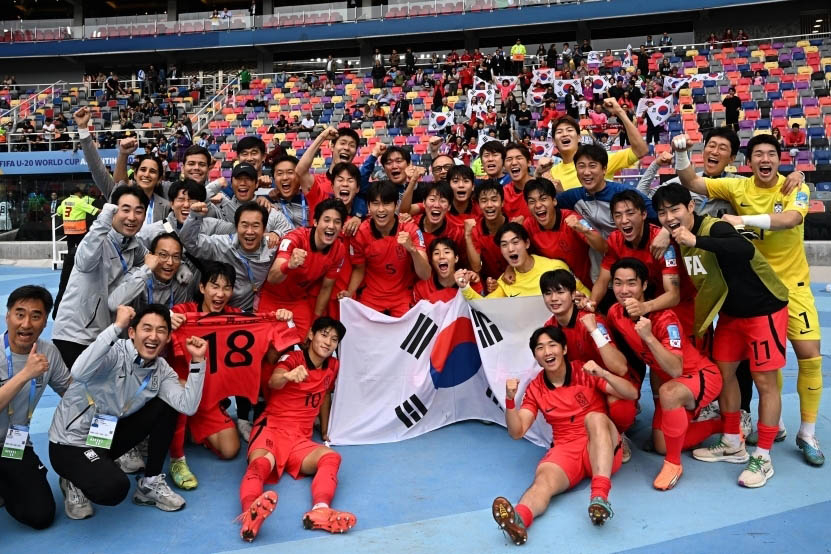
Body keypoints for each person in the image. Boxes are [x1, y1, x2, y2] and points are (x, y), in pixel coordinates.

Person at [674, 133, 823, 466]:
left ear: (780, 159)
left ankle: (808, 433)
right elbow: (691, 181)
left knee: (809, 356)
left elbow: (792, 219)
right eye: (758, 154)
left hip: (792, 286)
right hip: (753, 290)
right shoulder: (736, 186)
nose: (765, 159)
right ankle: (772, 427)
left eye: (771, 153)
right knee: (761, 367)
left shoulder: (795, 186)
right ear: (749, 161)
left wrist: (743, 220)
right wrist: (681, 152)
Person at [651, 183, 790, 488]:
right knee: (724, 374)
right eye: (662, 212)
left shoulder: (715, 228)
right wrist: (669, 231)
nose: (669, 216)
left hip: (763, 309)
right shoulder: (679, 237)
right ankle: (732, 441)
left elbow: (744, 249)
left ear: (691, 207)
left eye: (675, 209)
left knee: (765, 381)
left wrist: (695, 238)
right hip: (730, 315)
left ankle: (763, 456)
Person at [49, 305, 207, 519]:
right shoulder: (115, 351)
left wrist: (198, 362)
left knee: (167, 405)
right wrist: (116, 327)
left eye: (161, 330)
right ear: (132, 332)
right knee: (114, 488)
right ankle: (72, 479)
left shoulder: (161, 369)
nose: (153, 336)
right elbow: (78, 372)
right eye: (147, 328)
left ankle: (150, 483)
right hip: (70, 442)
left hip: (104, 437)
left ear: (168, 337)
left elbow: (187, 405)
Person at [491, 326, 638, 544]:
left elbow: (632, 393)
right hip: (565, 448)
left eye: (552, 345)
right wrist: (510, 401)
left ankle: (599, 497)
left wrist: (604, 373)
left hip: (601, 444)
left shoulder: (584, 371)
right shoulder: (535, 389)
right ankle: (519, 519)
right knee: (542, 481)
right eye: (540, 348)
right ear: (535, 356)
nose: (547, 352)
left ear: (564, 348)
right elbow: (517, 431)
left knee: (595, 417)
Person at [605, 258, 723, 490]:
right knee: (661, 444)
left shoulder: (665, 318)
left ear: (644, 286)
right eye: (618, 283)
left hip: (701, 375)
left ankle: (674, 465)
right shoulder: (615, 313)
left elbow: (675, 369)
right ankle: (720, 424)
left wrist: (649, 337)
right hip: (673, 382)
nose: (624, 290)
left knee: (668, 392)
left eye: (631, 283)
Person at [237, 317, 355, 542]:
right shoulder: (293, 358)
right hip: (272, 428)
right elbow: (274, 380)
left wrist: (326, 429)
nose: (328, 342)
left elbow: (324, 396)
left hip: (300, 440)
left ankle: (320, 510)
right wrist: (288, 376)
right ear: (311, 335)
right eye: (324, 334)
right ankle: (249, 514)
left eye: (334, 339)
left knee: (331, 457)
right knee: (260, 464)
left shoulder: (333, 366)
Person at [540, 270, 637, 460]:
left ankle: (618, 433)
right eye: (548, 293)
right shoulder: (549, 329)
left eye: (560, 292)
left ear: (572, 293)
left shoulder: (593, 322)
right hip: (584, 384)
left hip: (610, 380)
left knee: (619, 407)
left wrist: (594, 331)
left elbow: (620, 368)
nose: (554, 298)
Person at [52, 186, 149, 369]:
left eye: (139, 211)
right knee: (82, 395)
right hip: (76, 336)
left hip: (103, 335)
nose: (132, 217)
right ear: (113, 210)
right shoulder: (99, 240)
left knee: (100, 396)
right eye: (125, 210)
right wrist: (103, 220)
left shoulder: (133, 245)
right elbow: (85, 261)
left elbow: (156, 257)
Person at [0, 286, 70, 530]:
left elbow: (70, 393)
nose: (26, 324)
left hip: (14, 443)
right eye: (20, 314)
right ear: (7, 316)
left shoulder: (48, 351)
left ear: (45, 322)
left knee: (40, 515)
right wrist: (25, 375)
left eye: (36, 316)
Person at [259, 198, 348, 338]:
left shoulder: (339, 250)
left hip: (297, 300)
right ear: (315, 222)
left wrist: (315, 321)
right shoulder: (295, 238)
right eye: (327, 220)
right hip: (271, 297)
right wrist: (288, 266)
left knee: (307, 340)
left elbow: (326, 288)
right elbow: (272, 278)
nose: (331, 226)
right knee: (267, 343)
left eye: (337, 222)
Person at [342, 181, 430, 317]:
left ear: (396, 205)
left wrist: (412, 250)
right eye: (376, 203)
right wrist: (349, 293)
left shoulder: (410, 229)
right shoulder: (360, 233)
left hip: (402, 295)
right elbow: (359, 269)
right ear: (368, 206)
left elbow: (425, 274)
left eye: (387, 203)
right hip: (372, 296)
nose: (381, 209)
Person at [180, 201, 277, 312]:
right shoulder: (222, 244)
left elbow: (292, 240)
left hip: (248, 313)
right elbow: (190, 242)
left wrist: (277, 232)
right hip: (216, 309)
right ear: (236, 227)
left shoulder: (272, 248)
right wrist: (194, 217)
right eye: (244, 225)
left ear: (264, 229)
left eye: (255, 226)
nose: (249, 231)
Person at [456, 222, 589, 299]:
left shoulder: (555, 267)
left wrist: (584, 301)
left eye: (515, 242)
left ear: (526, 243)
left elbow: (585, 294)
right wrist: (465, 286)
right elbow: (486, 307)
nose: (510, 249)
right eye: (504, 245)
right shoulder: (504, 281)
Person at [548, 98, 648, 191]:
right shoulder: (552, 173)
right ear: (553, 141)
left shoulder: (601, 159)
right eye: (559, 132)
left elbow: (641, 150)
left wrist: (620, 112)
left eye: (569, 130)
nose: (565, 134)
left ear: (579, 137)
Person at [522, 179, 604, 288]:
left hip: (583, 287)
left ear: (554, 201)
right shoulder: (529, 225)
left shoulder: (572, 219)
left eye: (543, 199)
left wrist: (584, 230)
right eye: (532, 201)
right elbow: (518, 250)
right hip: (553, 290)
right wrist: (510, 269)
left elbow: (603, 247)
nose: (537, 205)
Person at [107, 233, 190, 313]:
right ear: (151, 255)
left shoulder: (179, 283)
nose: (170, 262)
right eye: (163, 255)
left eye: (176, 256)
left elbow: (180, 316)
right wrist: (146, 270)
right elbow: (113, 304)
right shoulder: (137, 274)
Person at [52, 188, 100, 317]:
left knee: (69, 252)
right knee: (80, 251)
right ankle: (78, 266)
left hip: (68, 230)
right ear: (78, 194)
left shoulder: (65, 202)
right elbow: (92, 210)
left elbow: (59, 212)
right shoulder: (79, 202)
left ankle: (70, 266)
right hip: (79, 230)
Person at [414, 237, 482, 303]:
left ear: (456, 258)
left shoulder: (470, 281)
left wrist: (465, 287)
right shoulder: (422, 288)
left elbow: (481, 309)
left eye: (447, 252)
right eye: (436, 253)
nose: (441, 256)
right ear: (431, 260)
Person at [465, 180, 509, 281]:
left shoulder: (513, 224)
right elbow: (476, 267)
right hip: (488, 284)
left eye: (494, 200)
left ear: (502, 202)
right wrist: (467, 235)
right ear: (479, 204)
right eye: (484, 201)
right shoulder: (475, 229)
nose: (489, 205)